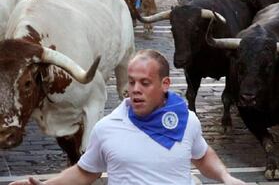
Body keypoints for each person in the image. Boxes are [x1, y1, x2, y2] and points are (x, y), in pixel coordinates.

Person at [10, 49, 246, 185]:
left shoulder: (187, 121)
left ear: (165, 84)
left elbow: (203, 156)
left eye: (145, 83)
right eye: (131, 81)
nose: (135, 89)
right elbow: (85, 171)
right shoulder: (107, 127)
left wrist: (226, 177)